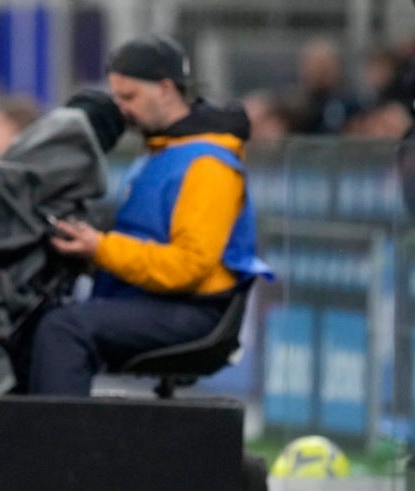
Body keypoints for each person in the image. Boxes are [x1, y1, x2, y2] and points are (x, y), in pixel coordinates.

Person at [27, 34, 271, 397]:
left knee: (65, 329)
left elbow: (188, 266)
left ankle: (60, 434)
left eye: (130, 97)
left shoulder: (207, 166)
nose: (122, 110)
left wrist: (100, 249)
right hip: (152, 300)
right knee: (38, 319)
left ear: (166, 89)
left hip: (192, 311)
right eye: (117, 98)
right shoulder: (160, 154)